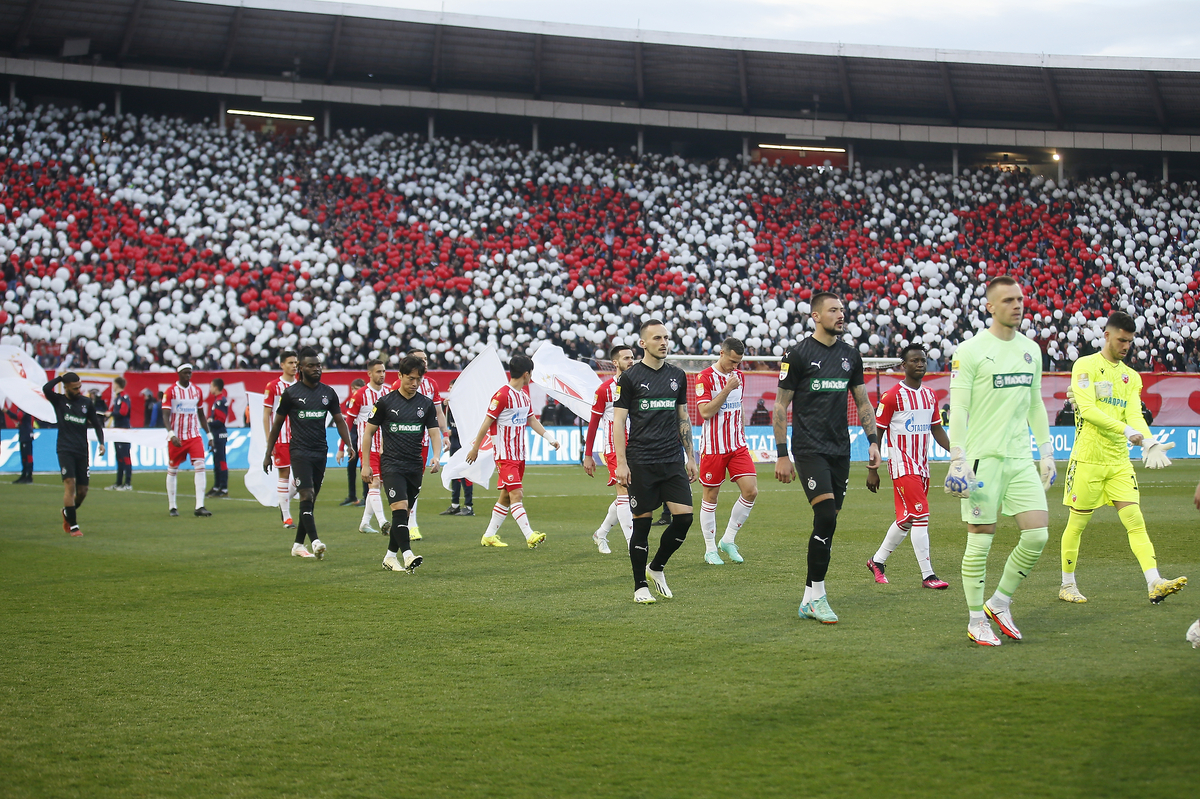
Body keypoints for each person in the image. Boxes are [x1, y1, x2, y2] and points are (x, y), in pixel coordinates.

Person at [944, 276, 1056, 647]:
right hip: (982, 459)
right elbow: (957, 406)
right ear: (990, 307)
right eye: (1008, 300)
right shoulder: (970, 350)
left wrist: (1046, 452)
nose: (1018, 305)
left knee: (1038, 533)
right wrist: (957, 455)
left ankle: (999, 601)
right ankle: (976, 619)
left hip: (1020, 457)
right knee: (981, 540)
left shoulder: (1031, 349)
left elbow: (1036, 403)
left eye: (1021, 299)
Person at [1057, 311, 1186, 604]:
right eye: (1121, 340)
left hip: (1118, 461)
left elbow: (1133, 414)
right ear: (1107, 336)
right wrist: (1128, 430)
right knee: (1076, 525)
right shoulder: (1086, 365)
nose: (1126, 346)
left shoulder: (1132, 376)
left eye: (1129, 341)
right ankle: (1067, 585)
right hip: (1088, 459)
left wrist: (1149, 441)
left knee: (1135, 521)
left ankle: (1154, 581)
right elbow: (1088, 410)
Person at [774, 292, 880, 624]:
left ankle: (808, 599)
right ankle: (819, 595)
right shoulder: (798, 354)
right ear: (816, 316)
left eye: (842, 310)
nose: (840, 314)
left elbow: (862, 402)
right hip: (809, 449)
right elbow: (780, 406)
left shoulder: (851, 356)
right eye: (833, 310)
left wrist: (873, 440)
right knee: (826, 517)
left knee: (828, 524)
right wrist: (781, 455)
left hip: (840, 451)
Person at [612, 320, 698, 604]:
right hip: (641, 461)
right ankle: (640, 587)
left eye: (666, 337)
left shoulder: (678, 375)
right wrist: (621, 463)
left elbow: (682, 416)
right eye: (657, 338)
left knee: (684, 518)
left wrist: (690, 456)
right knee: (643, 524)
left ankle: (656, 567)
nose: (663, 342)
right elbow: (619, 422)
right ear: (643, 344)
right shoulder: (630, 378)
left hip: (672, 459)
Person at [865, 344, 951, 589]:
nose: (920, 364)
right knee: (921, 515)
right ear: (904, 366)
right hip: (903, 466)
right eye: (914, 361)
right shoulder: (891, 396)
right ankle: (928, 575)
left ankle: (877, 561)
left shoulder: (930, 395)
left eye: (923, 360)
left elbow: (936, 429)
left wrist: (956, 452)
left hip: (923, 467)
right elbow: (877, 433)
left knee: (908, 520)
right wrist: (873, 469)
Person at [263, 347, 353, 559]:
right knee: (307, 494)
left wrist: (349, 444)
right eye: (311, 366)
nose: (316, 369)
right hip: (299, 451)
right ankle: (316, 542)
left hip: (321, 451)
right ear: (301, 368)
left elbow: (339, 420)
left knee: (309, 502)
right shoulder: (291, 393)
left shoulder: (328, 393)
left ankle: (297, 545)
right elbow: (276, 424)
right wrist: (268, 452)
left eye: (318, 365)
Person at [466, 354, 560, 548]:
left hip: (519, 454)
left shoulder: (524, 396)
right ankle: (529, 535)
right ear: (526, 374)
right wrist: (475, 448)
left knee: (506, 497)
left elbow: (531, 419)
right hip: (505, 455)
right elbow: (487, 423)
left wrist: (550, 439)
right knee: (517, 494)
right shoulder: (501, 395)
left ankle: (489, 535)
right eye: (531, 374)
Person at [361, 355, 443, 573]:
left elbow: (434, 433)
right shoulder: (385, 402)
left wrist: (436, 455)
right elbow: (368, 433)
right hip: (391, 465)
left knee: (404, 515)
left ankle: (389, 557)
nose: (414, 383)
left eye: (418, 379)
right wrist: (366, 464)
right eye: (410, 378)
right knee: (399, 509)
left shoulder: (425, 404)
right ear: (399, 376)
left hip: (415, 466)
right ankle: (407, 556)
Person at [696, 337, 757, 565]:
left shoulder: (739, 376)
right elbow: (705, 412)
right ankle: (710, 548)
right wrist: (726, 389)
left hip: (737, 445)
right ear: (721, 353)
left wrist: (741, 430)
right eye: (732, 361)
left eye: (738, 362)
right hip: (713, 448)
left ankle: (728, 539)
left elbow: (738, 405)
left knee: (750, 491)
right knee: (711, 497)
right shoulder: (704, 377)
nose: (735, 367)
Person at [583, 343, 636, 554]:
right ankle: (634, 545)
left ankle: (601, 533)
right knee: (623, 492)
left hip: (638, 447)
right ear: (615, 363)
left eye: (632, 358)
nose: (631, 361)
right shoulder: (604, 390)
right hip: (614, 448)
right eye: (626, 358)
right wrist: (588, 455)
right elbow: (593, 423)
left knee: (630, 495)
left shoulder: (639, 385)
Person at [392, 348, 449, 540]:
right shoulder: (397, 385)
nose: (424, 362)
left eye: (425, 359)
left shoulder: (431, 385)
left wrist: (445, 434)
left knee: (414, 484)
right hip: (400, 442)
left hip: (423, 442)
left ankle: (410, 523)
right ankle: (406, 523)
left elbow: (438, 413)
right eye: (420, 359)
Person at [43, 371, 104, 536]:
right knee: (70, 484)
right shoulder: (59, 401)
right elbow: (46, 388)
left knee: (83, 491)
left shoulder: (86, 403)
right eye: (75, 388)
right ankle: (74, 526)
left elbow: (97, 424)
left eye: (80, 387)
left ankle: (67, 512)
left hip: (82, 450)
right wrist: (60, 377)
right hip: (65, 449)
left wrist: (101, 443)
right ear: (66, 388)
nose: (79, 390)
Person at [341, 362, 389, 534]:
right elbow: (347, 423)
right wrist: (342, 447)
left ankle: (364, 523)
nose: (382, 375)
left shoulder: (388, 393)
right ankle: (383, 522)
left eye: (383, 371)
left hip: (385, 447)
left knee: (378, 485)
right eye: (378, 371)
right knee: (374, 483)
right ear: (369, 373)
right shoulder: (360, 395)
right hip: (367, 447)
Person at [162, 364, 212, 518]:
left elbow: (201, 415)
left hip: (193, 435)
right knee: (173, 469)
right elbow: (165, 415)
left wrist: (209, 435)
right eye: (185, 373)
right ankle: (172, 506)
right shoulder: (171, 391)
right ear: (178, 374)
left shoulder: (196, 391)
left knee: (200, 466)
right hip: (177, 437)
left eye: (190, 373)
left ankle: (200, 505)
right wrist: (171, 434)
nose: (188, 376)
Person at [263, 349, 299, 528]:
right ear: (282, 365)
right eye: (290, 363)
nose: (294, 366)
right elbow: (266, 414)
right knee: (284, 474)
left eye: (295, 363)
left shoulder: (301, 385)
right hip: (281, 437)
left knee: (303, 476)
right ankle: (286, 517)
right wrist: (269, 441)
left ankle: (283, 500)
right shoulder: (273, 387)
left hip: (300, 437)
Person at [439, 379, 475, 516]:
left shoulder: (466, 406)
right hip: (454, 443)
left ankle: (469, 506)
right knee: (455, 472)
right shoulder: (450, 406)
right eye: (449, 387)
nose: (450, 390)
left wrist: (452, 432)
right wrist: (443, 406)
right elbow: (440, 417)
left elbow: (470, 427)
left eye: (453, 388)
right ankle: (455, 505)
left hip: (464, 444)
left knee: (466, 473)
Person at [339, 377, 366, 507]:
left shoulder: (366, 402)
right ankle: (352, 496)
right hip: (353, 439)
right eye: (353, 389)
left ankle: (366, 497)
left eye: (356, 389)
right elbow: (347, 421)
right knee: (351, 467)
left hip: (364, 439)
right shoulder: (351, 403)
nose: (354, 391)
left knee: (364, 468)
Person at [205, 378, 230, 497]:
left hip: (219, 434)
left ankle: (223, 487)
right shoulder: (218, 401)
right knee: (216, 461)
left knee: (221, 461)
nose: (210, 389)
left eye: (211, 386)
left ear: (215, 387)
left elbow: (220, 420)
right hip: (217, 434)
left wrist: (209, 422)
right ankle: (217, 486)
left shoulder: (220, 401)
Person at [108, 376, 133, 491]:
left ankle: (127, 483)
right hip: (117, 430)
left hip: (124, 430)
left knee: (125, 456)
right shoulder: (117, 398)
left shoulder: (124, 397)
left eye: (114, 384)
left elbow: (123, 412)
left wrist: (111, 414)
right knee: (119, 456)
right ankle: (118, 483)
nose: (112, 386)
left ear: (117, 385)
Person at [6, 401, 34, 484]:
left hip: (26, 435)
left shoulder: (24, 408)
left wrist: (7, 411)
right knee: (24, 456)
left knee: (28, 455)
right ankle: (24, 474)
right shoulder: (22, 408)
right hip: (23, 434)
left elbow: (19, 417)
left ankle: (29, 475)